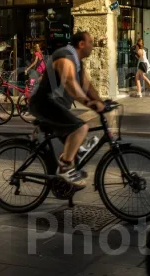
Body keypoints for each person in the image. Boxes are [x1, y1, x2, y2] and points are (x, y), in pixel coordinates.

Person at [29, 32, 106, 188]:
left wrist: (101, 103)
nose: (93, 44)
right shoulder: (64, 56)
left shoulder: (77, 61)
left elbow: (86, 86)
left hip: (57, 105)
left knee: (77, 146)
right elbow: (70, 84)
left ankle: (63, 183)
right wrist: (90, 104)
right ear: (81, 44)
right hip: (44, 103)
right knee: (80, 129)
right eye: (90, 41)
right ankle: (64, 168)